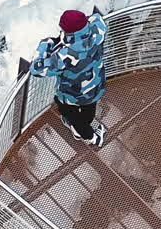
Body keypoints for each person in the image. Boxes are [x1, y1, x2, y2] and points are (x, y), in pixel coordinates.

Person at [30, 9, 108, 147]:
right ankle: (83, 125)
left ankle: (91, 137)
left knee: (67, 110)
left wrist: (46, 44)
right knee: (88, 108)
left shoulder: (64, 56)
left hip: (72, 93)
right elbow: (96, 17)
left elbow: (36, 69)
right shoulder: (98, 31)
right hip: (96, 84)